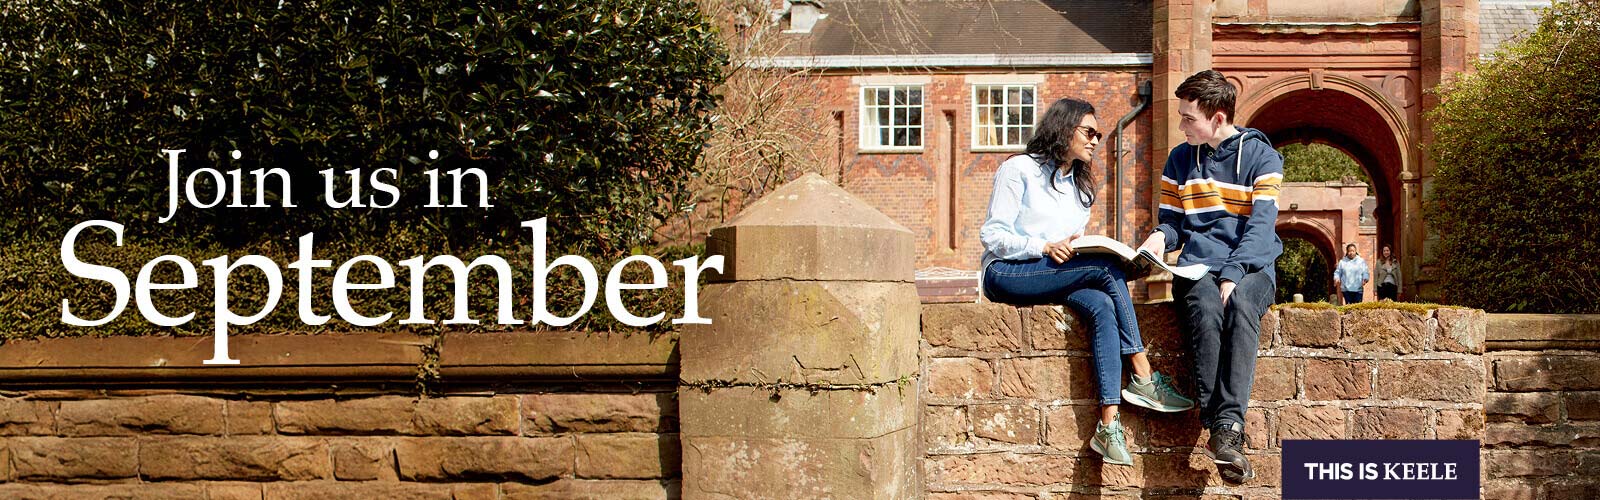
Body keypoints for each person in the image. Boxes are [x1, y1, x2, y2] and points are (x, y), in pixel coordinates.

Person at [980, 97, 1195, 467]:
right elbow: (993, 235)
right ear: (1064, 128)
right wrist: (1043, 246)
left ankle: (1108, 426)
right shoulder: (1019, 169)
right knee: (1103, 272)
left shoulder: (1081, 190)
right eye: (1089, 132)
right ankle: (1143, 374)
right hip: (1006, 272)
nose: (1096, 140)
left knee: (1101, 303)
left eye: (1099, 134)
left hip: (1053, 274)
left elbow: (1076, 245)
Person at [1136, 70, 1282, 484]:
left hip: (1252, 264)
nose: (1182, 126)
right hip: (1198, 265)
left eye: (1188, 118)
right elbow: (1174, 221)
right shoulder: (1180, 159)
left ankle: (1227, 429)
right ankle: (1218, 423)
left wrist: (1234, 272)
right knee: (1202, 304)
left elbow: (1260, 226)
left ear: (1218, 119)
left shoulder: (1263, 158)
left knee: (1239, 305)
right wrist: (1159, 239)